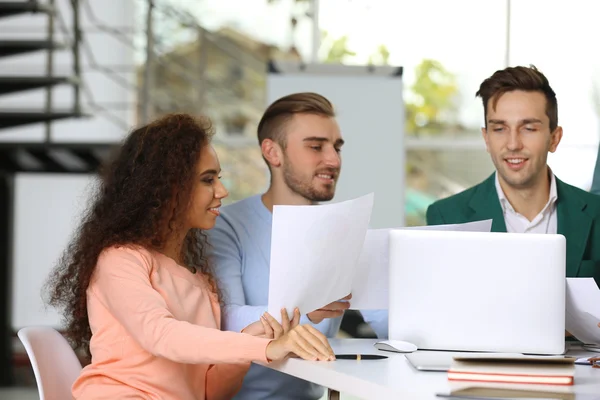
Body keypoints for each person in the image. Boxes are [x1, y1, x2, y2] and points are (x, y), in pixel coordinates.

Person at [45, 113, 335, 400]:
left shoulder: (200, 280)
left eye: (218, 178)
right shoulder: (120, 260)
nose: (222, 191)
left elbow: (211, 392)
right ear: (168, 188)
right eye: (207, 180)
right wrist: (265, 348)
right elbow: (162, 335)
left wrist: (251, 339)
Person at [205, 92, 388, 400]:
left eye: (336, 147)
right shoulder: (225, 226)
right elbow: (225, 319)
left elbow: (385, 318)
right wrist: (306, 311)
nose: (333, 160)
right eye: (316, 146)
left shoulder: (346, 228)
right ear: (272, 152)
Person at [426, 65, 600, 282]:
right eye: (499, 129)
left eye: (528, 128)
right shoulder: (447, 218)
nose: (513, 144)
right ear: (486, 138)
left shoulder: (596, 213)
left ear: (554, 138)